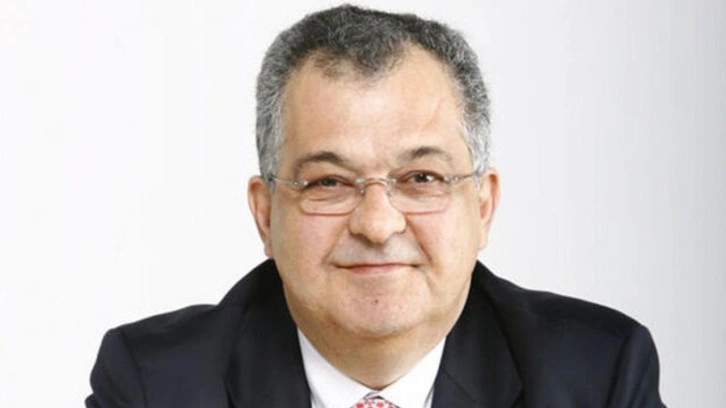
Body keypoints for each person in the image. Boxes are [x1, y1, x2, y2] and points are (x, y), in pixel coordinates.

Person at [86, 5, 666, 407]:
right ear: (265, 215)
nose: (378, 223)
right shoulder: (154, 386)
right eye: (329, 183)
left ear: (483, 206)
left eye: (421, 177)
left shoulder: (598, 376)